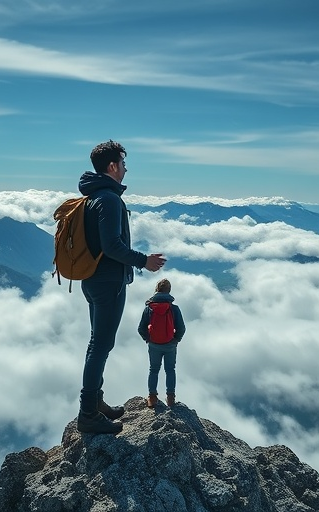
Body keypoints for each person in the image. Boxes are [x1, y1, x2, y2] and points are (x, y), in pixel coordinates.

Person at [76, 140, 166, 434]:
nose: (126, 169)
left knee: (97, 343)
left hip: (91, 280)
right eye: (124, 164)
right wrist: (144, 261)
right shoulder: (110, 199)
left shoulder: (93, 196)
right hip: (108, 282)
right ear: (113, 166)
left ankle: (95, 401)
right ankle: (88, 413)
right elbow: (111, 245)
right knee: (100, 346)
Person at [138, 278, 186, 408]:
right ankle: (171, 398)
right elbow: (181, 328)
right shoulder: (174, 309)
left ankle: (152, 398)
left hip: (154, 345)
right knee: (170, 370)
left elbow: (140, 328)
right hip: (170, 344)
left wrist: (148, 339)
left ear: (156, 290)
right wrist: (175, 340)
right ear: (169, 291)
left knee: (153, 370)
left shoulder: (149, 308)